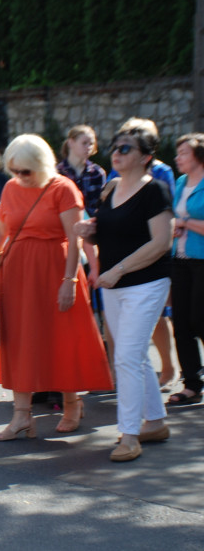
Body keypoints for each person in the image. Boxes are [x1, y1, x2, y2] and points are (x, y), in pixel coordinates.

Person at [0, 135, 112, 440]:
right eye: (14, 170)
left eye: (26, 171)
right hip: (18, 274)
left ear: (40, 164)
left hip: (56, 270)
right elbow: (1, 231)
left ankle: (72, 404)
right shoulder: (10, 188)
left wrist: (69, 280)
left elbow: (75, 238)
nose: (19, 177)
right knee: (20, 340)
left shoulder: (62, 187)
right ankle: (21, 416)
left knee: (62, 337)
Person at [76, 126, 173, 462]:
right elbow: (106, 228)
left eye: (127, 149)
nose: (117, 153)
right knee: (135, 356)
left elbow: (161, 242)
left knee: (127, 357)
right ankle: (156, 422)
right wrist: (90, 230)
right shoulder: (112, 186)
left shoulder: (155, 191)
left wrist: (118, 269)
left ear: (146, 157)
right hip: (114, 286)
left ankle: (129, 435)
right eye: (116, 147)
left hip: (146, 283)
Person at [168, 132, 204, 406]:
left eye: (183, 153)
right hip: (179, 260)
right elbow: (174, 219)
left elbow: (182, 220)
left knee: (199, 320)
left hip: (202, 260)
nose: (177, 157)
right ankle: (191, 383)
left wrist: (184, 223)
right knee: (180, 323)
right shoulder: (180, 182)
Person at [56, 125, 107, 217]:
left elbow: (101, 205)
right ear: (71, 143)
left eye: (91, 144)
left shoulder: (97, 173)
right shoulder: (57, 173)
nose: (88, 147)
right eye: (84, 143)